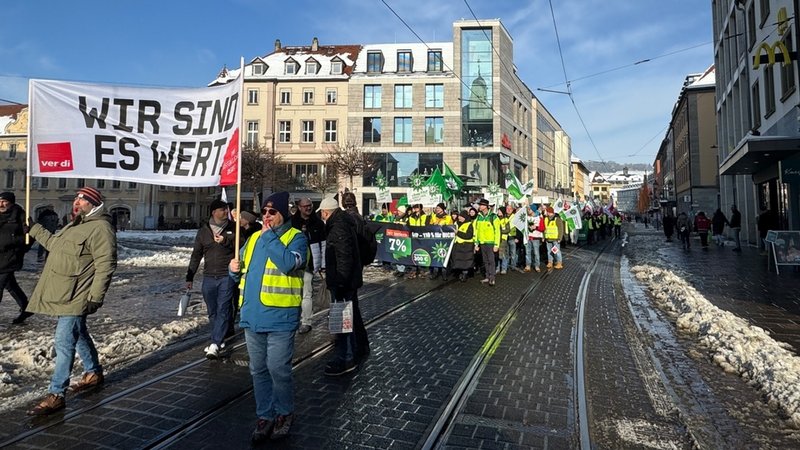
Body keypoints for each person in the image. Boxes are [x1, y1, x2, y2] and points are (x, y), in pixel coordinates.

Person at [26, 187, 117, 415]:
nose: (77, 201)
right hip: (64, 292)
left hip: (78, 294)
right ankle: (93, 371)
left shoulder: (101, 228)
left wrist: (95, 297)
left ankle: (56, 393)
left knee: (63, 342)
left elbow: (106, 265)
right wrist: (35, 229)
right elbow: (56, 246)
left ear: (92, 203)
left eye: (82, 199)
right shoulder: (77, 223)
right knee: (78, 334)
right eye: (76, 198)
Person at [229, 191, 307, 443]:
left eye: (272, 212)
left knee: (278, 369)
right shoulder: (252, 239)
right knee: (258, 370)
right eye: (264, 212)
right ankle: (265, 415)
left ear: (283, 213)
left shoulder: (297, 238)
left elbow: (287, 264)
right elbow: (242, 271)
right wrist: (233, 270)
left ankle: (284, 412)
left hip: (281, 317)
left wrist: (270, 237)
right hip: (253, 316)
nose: (266, 216)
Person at [317, 196, 367, 376]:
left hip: (343, 282)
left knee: (343, 321)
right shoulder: (343, 222)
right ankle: (358, 348)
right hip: (347, 280)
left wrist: (339, 281)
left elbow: (344, 257)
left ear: (325, 212)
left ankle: (346, 358)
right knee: (351, 317)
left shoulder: (337, 227)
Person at [186, 199, 237, 359]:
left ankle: (215, 343)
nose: (226, 212)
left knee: (223, 308)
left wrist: (226, 240)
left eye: (226, 209)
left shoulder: (232, 228)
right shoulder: (203, 232)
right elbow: (196, 255)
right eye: (222, 210)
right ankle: (219, 336)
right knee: (212, 310)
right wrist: (189, 276)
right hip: (209, 277)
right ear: (214, 212)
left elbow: (241, 243)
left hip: (226, 276)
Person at [291, 197, 325, 335]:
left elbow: (323, 244)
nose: (308, 208)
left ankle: (306, 321)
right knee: (293, 293)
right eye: (305, 206)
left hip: (309, 264)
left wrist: (322, 264)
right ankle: (293, 319)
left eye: (310, 205)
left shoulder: (317, 223)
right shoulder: (292, 222)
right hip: (294, 263)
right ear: (299, 207)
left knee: (307, 293)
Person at [0, 192, 33, 324]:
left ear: (11, 202)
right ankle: (26, 307)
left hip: (11, 257)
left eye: (4, 201)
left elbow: (31, 235)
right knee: (10, 285)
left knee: (0, 284)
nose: (1, 204)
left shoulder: (20, 215)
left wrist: (18, 245)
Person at [474, 198, 500, 286]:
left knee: (491, 260)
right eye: (480, 205)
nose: (480, 206)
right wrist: (476, 243)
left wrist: (496, 244)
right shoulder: (478, 217)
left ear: (486, 206)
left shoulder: (493, 216)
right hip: (482, 242)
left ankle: (492, 278)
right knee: (485, 261)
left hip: (490, 242)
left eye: (481, 205)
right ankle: (487, 276)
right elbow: (476, 231)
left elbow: (497, 231)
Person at [428, 203, 453, 280]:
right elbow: (429, 227)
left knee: (444, 256)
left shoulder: (448, 217)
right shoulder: (433, 217)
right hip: (435, 239)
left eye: (439, 208)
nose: (437, 209)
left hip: (445, 240)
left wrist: (444, 227)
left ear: (442, 209)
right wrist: (433, 225)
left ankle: (444, 273)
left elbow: (451, 228)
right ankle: (435, 273)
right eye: (436, 208)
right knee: (435, 256)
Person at [451, 212, 474, 282]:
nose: (459, 218)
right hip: (457, 244)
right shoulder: (456, 223)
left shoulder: (469, 224)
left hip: (466, 245)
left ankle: (465, 274)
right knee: (458, 260)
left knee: (465, 261)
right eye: (459, 216)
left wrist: (458, 233)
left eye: (461, 217)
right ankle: (459, 273)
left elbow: (468, 235)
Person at [525, 206, 545, 272]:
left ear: (533, 210)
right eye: (528, 209)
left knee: (536, 253)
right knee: (528, 252)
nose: (528, 210)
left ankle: (537, 265)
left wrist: (535, 227)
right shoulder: (526, 217)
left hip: (536, 237)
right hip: (528, 237)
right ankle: (528, 265)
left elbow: (542, 228)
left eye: (529, 209)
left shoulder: (539, 217)